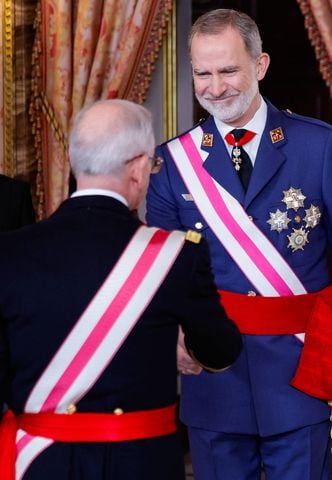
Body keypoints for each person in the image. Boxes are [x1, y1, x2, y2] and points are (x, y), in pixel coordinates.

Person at [145, 8, 332, 480]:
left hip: (302, 372)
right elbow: (163, 274)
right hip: (215, 376)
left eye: (228, 70)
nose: (215, 87)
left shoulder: (319, 145)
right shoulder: (174, 162)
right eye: (202, 73)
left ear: (261, 65)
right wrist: (169, 337)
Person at [0, 99, 243, 479]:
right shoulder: (177, 255)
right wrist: (185, 345)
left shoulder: (9, 252)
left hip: (40, 465)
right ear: (139, 168)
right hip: (142, 464)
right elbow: (221, 349)